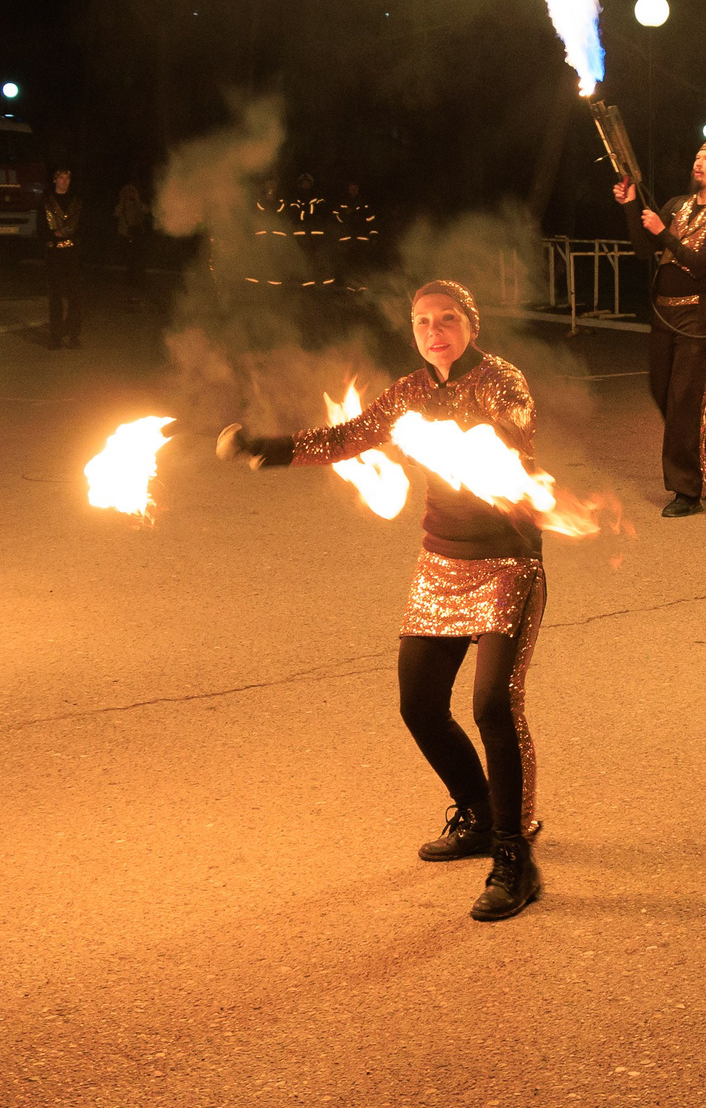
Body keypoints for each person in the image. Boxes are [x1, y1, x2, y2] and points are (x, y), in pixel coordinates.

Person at [217, 280, 547, 922]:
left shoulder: (503, 380)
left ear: (471, 324)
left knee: (493, 705)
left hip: (507, 561)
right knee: (419, 704)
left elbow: (510, 433)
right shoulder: (409, 391)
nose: (434, 331)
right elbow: (349, 436)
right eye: (422, 321)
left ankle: (514, 856)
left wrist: (452, 431)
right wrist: (268, 449)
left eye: (446, 318)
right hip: (441, 562)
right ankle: (479, 813)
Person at [614, 139, 706, 517]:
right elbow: (644, 248)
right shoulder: (676, 205)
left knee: (685, 400)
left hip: (698, 315)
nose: (698, 162)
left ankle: (687, 490)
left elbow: (701, 263)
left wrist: (664, 232)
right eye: (697, 156)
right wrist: (630, 205)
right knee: (662, 392)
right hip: (664, 313)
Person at [43, 167, 82, 348]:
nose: (64, 181)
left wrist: (72, 235)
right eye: (61, 178)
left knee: (75, 296)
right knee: (55, 296)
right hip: (54, 254)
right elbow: (40, 228)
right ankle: (56, 337)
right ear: (55, 180)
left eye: (67, 178)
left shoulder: (76, 202)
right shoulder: (46, 202)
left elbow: (82, 226)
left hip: (72, 253)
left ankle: (74, 336)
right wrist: (54, 234)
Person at [113, 181, 149, 294]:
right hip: (125, 234)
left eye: (131, 192)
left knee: (137, 257)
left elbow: (146, 210)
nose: (129, 195)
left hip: (138, 234)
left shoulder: (138, 204)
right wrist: (123, 202)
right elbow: (116, 213)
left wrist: (137, 201)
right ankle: (130, 278)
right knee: (128, 258)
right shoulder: (122, 205)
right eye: (127, 193)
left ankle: (138, 279)